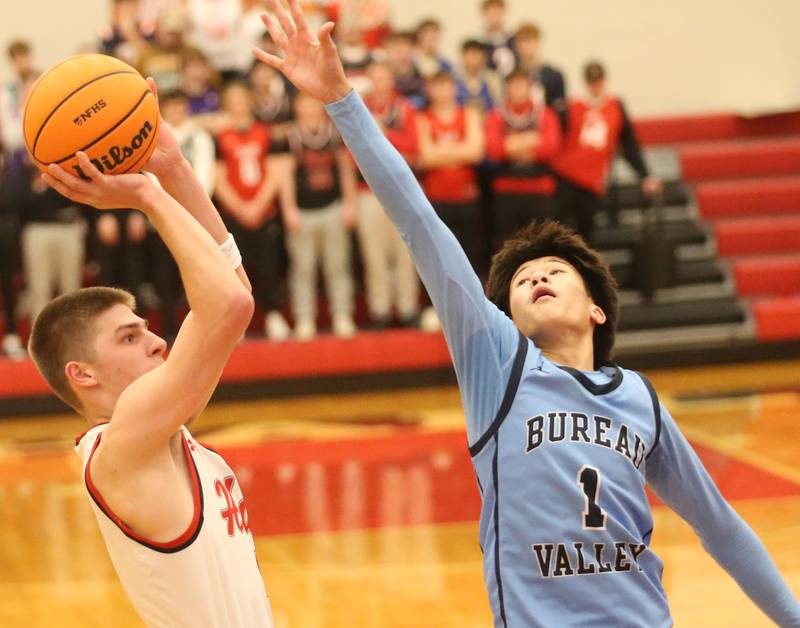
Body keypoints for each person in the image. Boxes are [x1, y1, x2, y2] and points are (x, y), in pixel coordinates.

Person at [254, 2, 800, 626]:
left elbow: (723, 530)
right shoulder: (498, 364)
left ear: (597, 310)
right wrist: (342, 101)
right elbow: (420, 224)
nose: (536, 275)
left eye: (554, 271)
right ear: (505, 313)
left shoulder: (638, 400)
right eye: (520, 279)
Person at [30, 80, 274, 626]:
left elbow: (236, 290)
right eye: (128, 337)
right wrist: (147, 194)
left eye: (143, 328)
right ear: (82, 375)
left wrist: (175, 169)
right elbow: (230, 305)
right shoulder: (124, 444)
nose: (157, 340)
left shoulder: (164, 426)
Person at [214, 80, 292, 341]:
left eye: (241, 98)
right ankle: (239, 325)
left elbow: (275, 173)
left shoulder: (266, 133)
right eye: (232, 100)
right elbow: (219, 178)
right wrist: (240, 208)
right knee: (235, 270)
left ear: (249, 101)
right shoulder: (220, 137)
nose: (238, 104)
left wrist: (258, 205)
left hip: (264, 212)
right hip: (233, 216)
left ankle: (273, 315)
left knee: (268, 266)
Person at [551, 61, 662, 243]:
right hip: (566, 178)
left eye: (599, 81)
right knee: (560, 233)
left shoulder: (615, 107)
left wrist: (645, 175)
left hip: (593, 182)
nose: (596, 86)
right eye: (592, 81)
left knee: (586, 236)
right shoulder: (570, 107)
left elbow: (629, 144)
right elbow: (555, 141)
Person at [284, 92, 358, 340]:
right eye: (304, 104)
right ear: (297, 107)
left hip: (332, 207)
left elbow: (346, 169)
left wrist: (349, 202)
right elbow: (283, 176)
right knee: (303, 269)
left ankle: (342, 315)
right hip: (303, 212)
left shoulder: (334, 133)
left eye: (313, 104)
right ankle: (305, 318)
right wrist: (289, 208)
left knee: (338, 265)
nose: (309, 109)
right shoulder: (289, 136)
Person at [358, 61, 421, 329]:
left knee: (406, 253)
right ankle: (380, 308)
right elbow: (356, 150)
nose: (380, 82)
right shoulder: (359, 109)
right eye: (375, 77)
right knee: (374, 254)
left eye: (384, 77)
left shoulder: (404, 108)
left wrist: (383, 135)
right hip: (369, 191)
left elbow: (414, 148)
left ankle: (408, 307)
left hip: (402, 191)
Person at [485, 69, 561, 252]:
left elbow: (550, 148)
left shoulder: (545, 114)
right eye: (513, 85)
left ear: (530, 87)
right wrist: (532, 139)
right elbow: (494, 149)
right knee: (507, 248)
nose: (518, 89)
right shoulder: (496, 115)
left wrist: (511, 144)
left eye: (522, 84)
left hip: (539, 190)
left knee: (542, 246)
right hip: (507, 191)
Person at [416, 71, 485, 271]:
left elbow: (476, 152)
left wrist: (442, 152)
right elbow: (426, 157)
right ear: (429, 90)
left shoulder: (468, 114)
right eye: (437, 86)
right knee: (439, 258)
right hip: (437, 197)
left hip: (466, 196)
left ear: (454, 88)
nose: (443, 91)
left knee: (470, 256)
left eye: (447, 85)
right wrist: (460, 150)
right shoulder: (423, 118)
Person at [512, 23, 567, 129]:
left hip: (547, 132)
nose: (528, 46)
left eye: (531, 40)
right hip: (517, 131)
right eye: (523, 41)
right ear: (517, 45)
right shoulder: (511, 76)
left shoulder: (554, 76)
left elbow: (561, 113)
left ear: (538, 42)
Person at [456, 38, 501, 113]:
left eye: (477, 54)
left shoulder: (492, 79)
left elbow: (498, 105)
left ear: (483, 57)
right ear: (463, 57)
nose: (474, 59)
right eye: (471, 54)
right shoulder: (455, 80)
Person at [475, 0, 515, 78]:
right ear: (484, 13)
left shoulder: (514, 40)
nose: (494, 14)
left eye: (497, 10)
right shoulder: (478, 44)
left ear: (504, 12)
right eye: (491, 11)